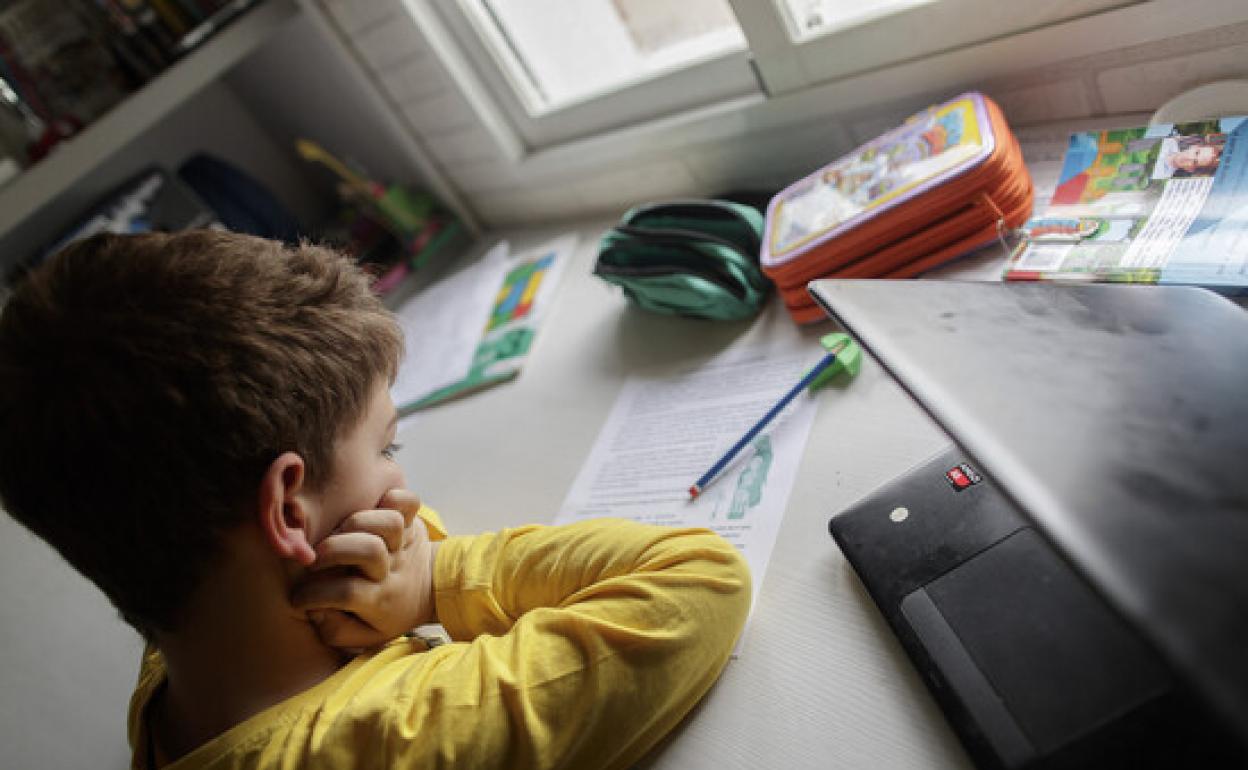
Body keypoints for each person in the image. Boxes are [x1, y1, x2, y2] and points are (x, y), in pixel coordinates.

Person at [0, 231, 751, 769]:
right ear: (289, 513)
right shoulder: (402, 737)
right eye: (387, 449)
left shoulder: (179, 649)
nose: (402, 489)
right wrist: (431, 584)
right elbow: (700, 581)